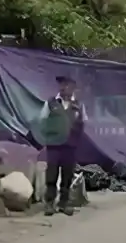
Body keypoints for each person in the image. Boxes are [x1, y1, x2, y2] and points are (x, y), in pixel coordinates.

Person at [37, 75, 88, 216]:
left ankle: (64, 204)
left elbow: (83, 124)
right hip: (54, 146)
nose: (63, 87)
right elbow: (42, 121)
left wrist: (75, 139)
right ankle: (49, 203)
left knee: (67, 176)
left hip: (70, 147)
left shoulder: (79, 106)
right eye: (61, 84)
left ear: (73, 87)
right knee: (51, 175)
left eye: (66, 84)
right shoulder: (51, 103)